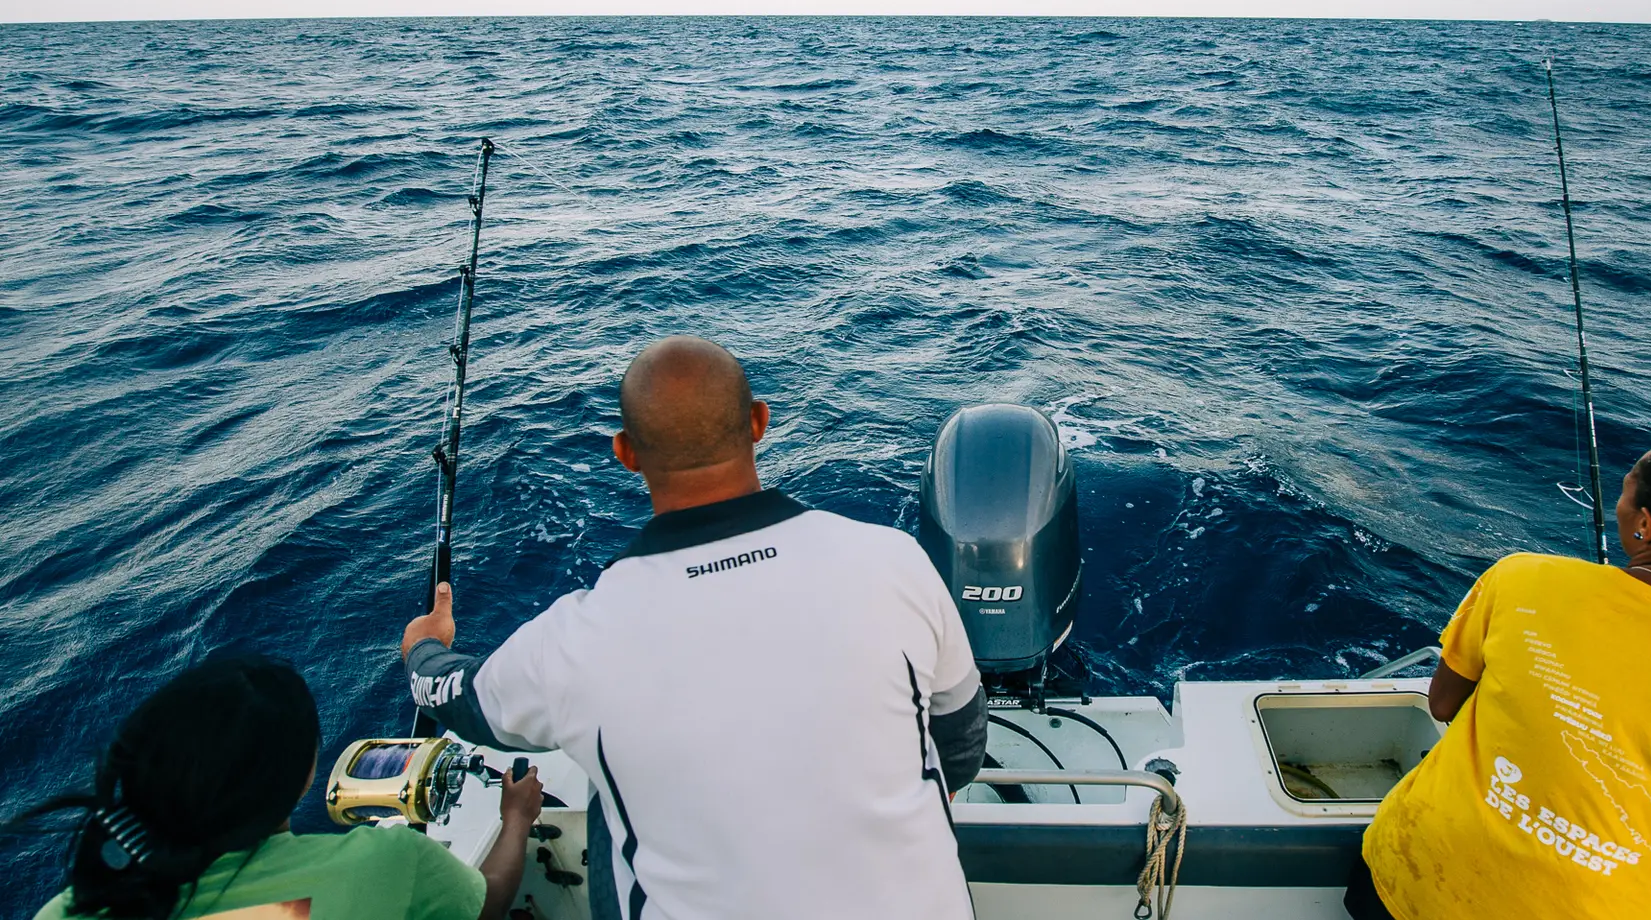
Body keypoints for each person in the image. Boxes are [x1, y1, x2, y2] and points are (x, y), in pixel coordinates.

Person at [402, 335, 987, 920]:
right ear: (759, 422)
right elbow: (959, 746)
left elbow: (463, 702)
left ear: (626, 453)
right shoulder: (893, 559)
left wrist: (422, 647)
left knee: (607, 796)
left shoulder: (576, 641)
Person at [1351, 425, 1651, 920]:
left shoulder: (1521, 577)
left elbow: (1442, 704)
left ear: (1644, 524)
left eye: (1626, 488)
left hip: (1407, 878)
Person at [12, 654, 544, 920]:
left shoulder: (70, 908)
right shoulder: (390, 862)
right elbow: (489, 902)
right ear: (306, 776)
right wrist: (516, 816)